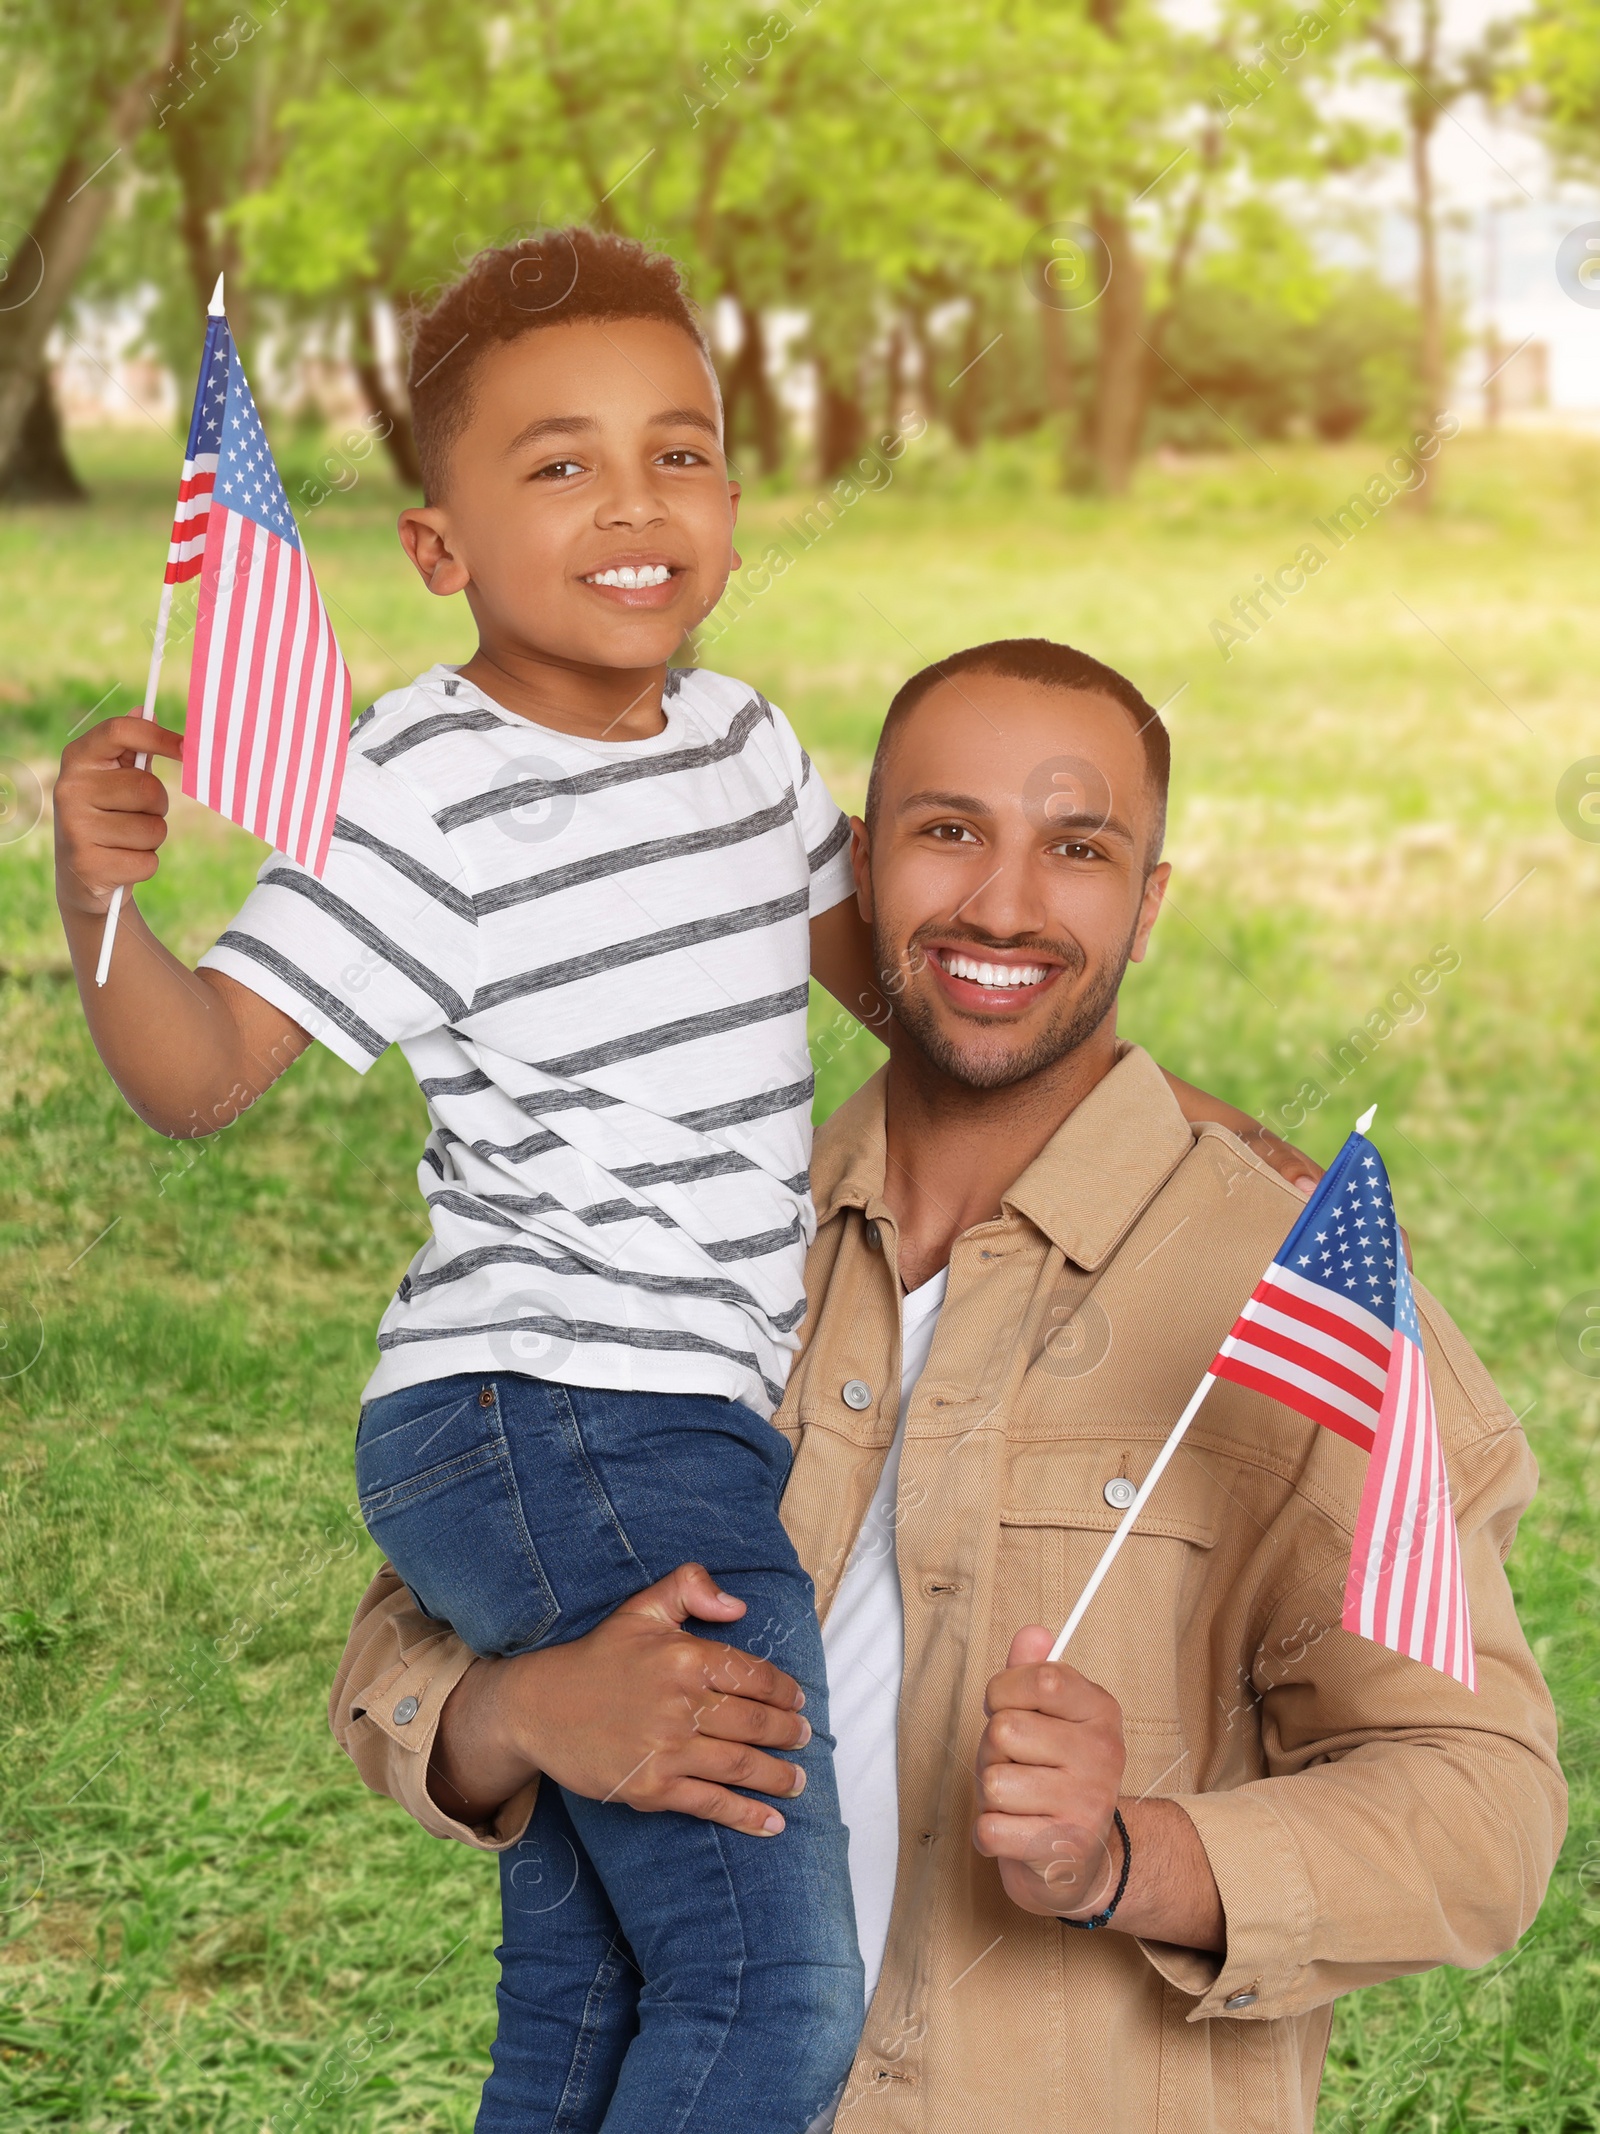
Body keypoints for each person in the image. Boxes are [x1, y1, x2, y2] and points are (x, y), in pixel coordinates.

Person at [50, 227, 1295, 2134]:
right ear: (441, 552)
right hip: (568, 1411)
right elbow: (206, 1072)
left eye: (682, 450)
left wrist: (1183, 1125)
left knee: (595, 1973)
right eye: (560, 465)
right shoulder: (428, 784)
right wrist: (99, 903)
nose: (637, 504)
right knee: (775, 1991)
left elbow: (924, 993)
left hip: (654, 1419)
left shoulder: (738, 747)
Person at [331, 637, 1566, 2134]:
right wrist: (527, 1715)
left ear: (1149, 899)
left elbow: (1483, 1812)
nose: (1003, 903)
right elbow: (402, 1657)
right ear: (859, 866)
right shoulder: (680, 1224)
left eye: (1080, 847)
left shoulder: (1299, 1290)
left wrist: (1132, 1853)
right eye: (948, 831)